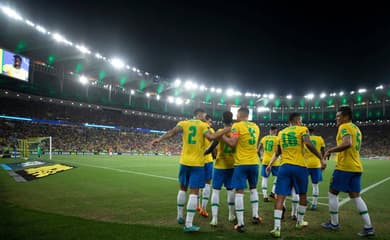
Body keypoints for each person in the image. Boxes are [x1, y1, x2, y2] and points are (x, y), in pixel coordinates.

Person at [151, 108, 230, 232]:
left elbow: (172, 132)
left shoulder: (184, 123)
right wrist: (226, 129)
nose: (205, 117)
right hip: (197, 164)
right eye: (204, 115)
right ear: (198, 114)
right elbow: (212, 137)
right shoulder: (203, 125)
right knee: (194, 192)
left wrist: (159, 139)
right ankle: (188, 224)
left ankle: (179, 216)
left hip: (184, 162)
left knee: (182, 189)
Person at [266, 112, 325, 238]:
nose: (302, 122)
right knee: (302, 195)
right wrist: (321, 158)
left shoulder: (281, 133)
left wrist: (270, 164)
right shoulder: (303, 129)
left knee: (280, 197)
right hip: (300, 167)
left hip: (284, 167)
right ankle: (299, 221)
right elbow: (308, 144)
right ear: (298, 120)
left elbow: (278, 152)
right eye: (301, 120)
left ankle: (276, 228)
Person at [321, 106, 375, 237]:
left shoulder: (344, 127)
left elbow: (347, 143)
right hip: (356, 167)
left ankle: (334, 224)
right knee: (356, 196)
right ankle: (369, 227)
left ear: (346, 117)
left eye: (338, 116)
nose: (336, 118)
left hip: (345, 167)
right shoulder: (356, 128)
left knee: (332, 193)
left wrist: (330, 150)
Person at [221, 107, 261, 233]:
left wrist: (222, 136)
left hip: (241, 164)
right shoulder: (256, 127)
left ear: (239, 114)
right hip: (254, 163)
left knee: (239, 191)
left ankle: (240, 223)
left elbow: (232, 143)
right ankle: (255, 216)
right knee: (253, 188)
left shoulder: (237, 126)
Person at [205, 111, 236, 226]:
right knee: (230, 190)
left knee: (216, 191)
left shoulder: (219, 132)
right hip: (232, 165)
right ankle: (231, 215)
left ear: (222, 121)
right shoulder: (235, 131)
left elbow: (212, 146)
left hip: (219, 165)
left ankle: (214, 218)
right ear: (232, 120)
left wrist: (204, 153)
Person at [197, 114, 215, 217]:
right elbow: (214, 142)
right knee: (207, 183)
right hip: (207, 160)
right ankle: (203, 208)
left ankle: (198, 205)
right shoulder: (209, 130)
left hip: (197, 160)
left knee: (198, 185)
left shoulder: (198, 128)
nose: (211, 123)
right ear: (206, 121)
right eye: (210, 121)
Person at [305, 127, 325, 210]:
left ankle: (303, 199)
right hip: (316, 164)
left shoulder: (305, 139)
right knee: (315, 185)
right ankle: (314, 204)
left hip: (305, 164)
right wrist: (322, 161)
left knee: (303, 184)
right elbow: (323, 151)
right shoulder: (319, 139)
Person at [258, 126, 280, 202]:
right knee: (278, 177)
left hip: (265, 161)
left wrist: (261, 156)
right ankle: (273, 192)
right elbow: (278, 151)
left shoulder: (264, 138)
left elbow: (258, 149)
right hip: (275, 161)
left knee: (265, 178)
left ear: (270, 131)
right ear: (275, 131)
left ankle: (265, 196)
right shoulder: (277, 139)